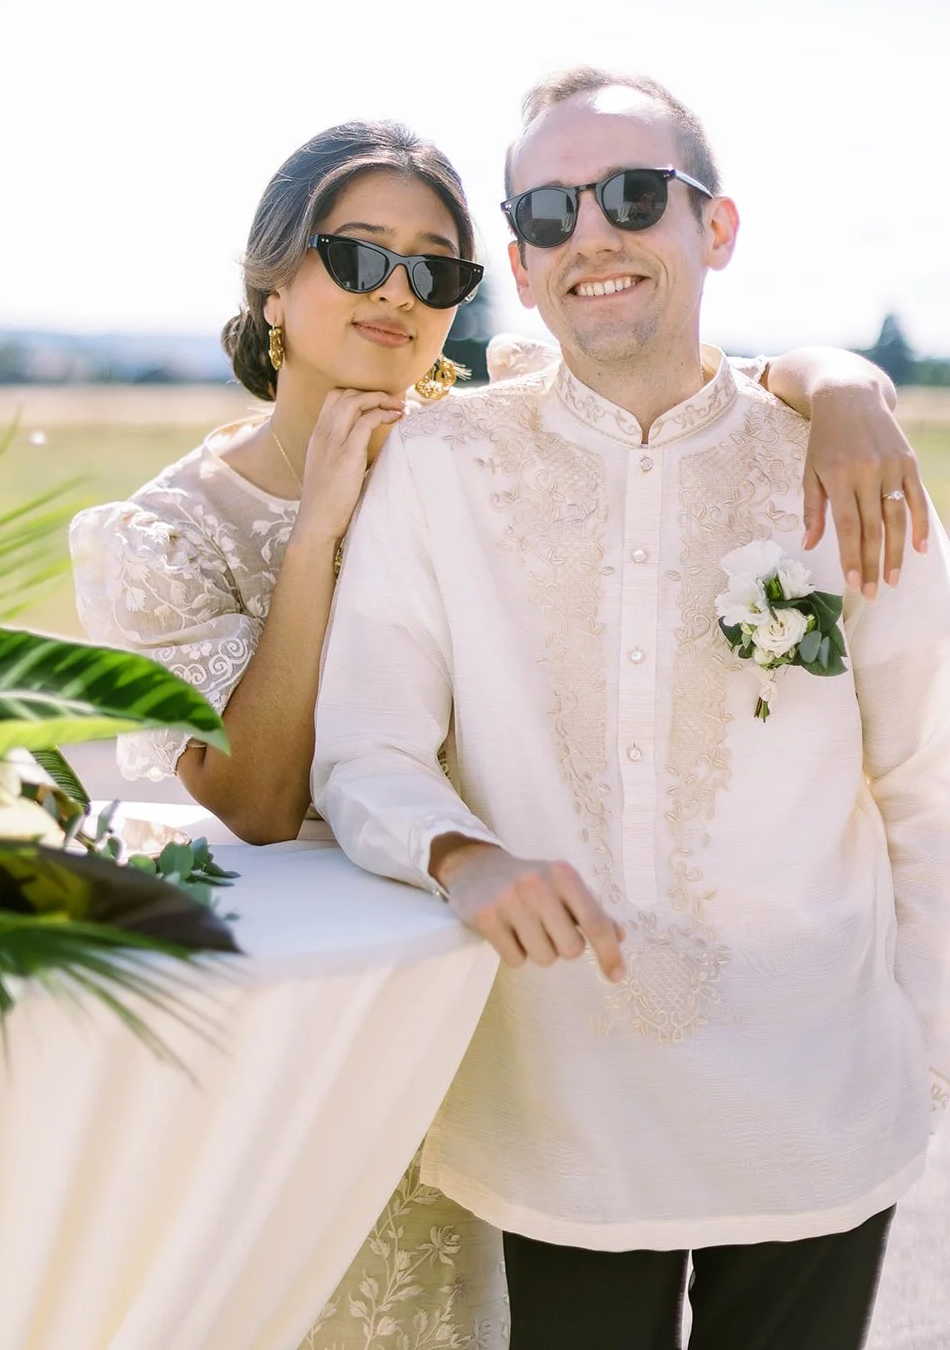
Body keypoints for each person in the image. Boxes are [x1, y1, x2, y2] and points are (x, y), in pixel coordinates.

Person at [71, 117, 928, 1349]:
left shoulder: (494, 424)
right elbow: (263, 800)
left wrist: (846, 380)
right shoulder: (168, 536)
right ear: (274, 285)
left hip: (489, 1012)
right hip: (326, 1004)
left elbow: (677, 360)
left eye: (437, 267)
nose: (399, 293)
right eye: (359, 258)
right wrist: (318, 525)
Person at [311, 71, 950, 1350]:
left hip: (819, 1104)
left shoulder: (843, 465)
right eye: (549, 211)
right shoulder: (444, 468)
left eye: (635, 195)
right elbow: (365, 746)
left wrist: (922, 1052)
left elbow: (930, 776)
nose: (591, 231)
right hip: (562, 1110)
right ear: (521, 260)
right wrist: (460, 851)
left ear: (714, 230)